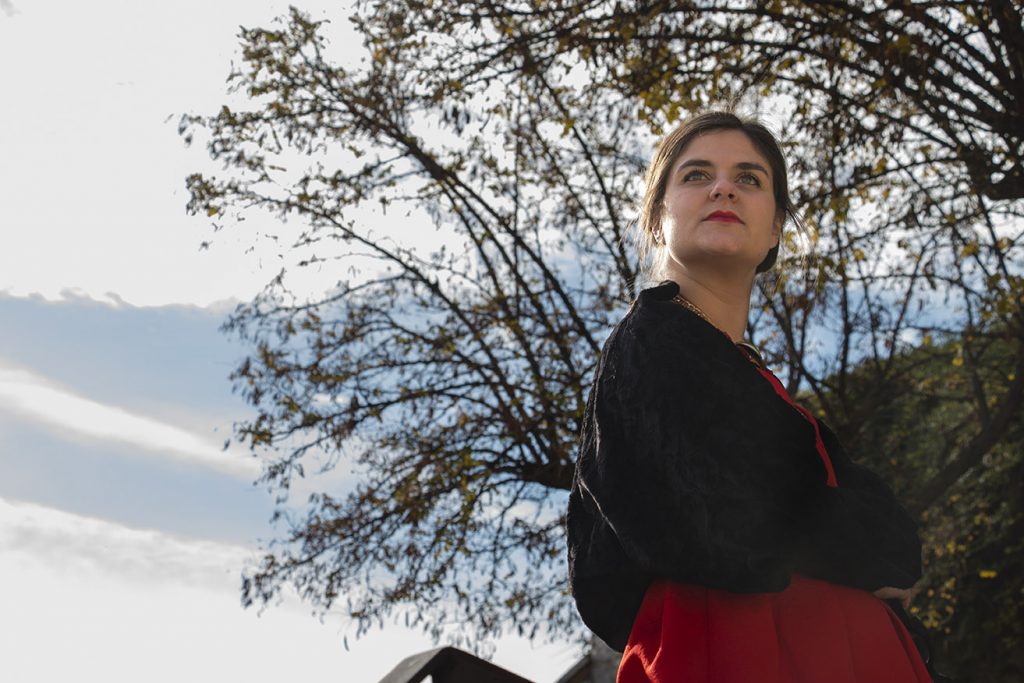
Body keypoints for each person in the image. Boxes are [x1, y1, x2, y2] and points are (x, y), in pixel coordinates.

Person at [566, 111, 934, 682]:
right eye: (695, 176)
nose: (723, 187)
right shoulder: (648, 344)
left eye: (750, 178)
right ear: (659, 220)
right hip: (737, 655)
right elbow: (713, 518)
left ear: (776, 229)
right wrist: (866, 547)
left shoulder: (746, 375)